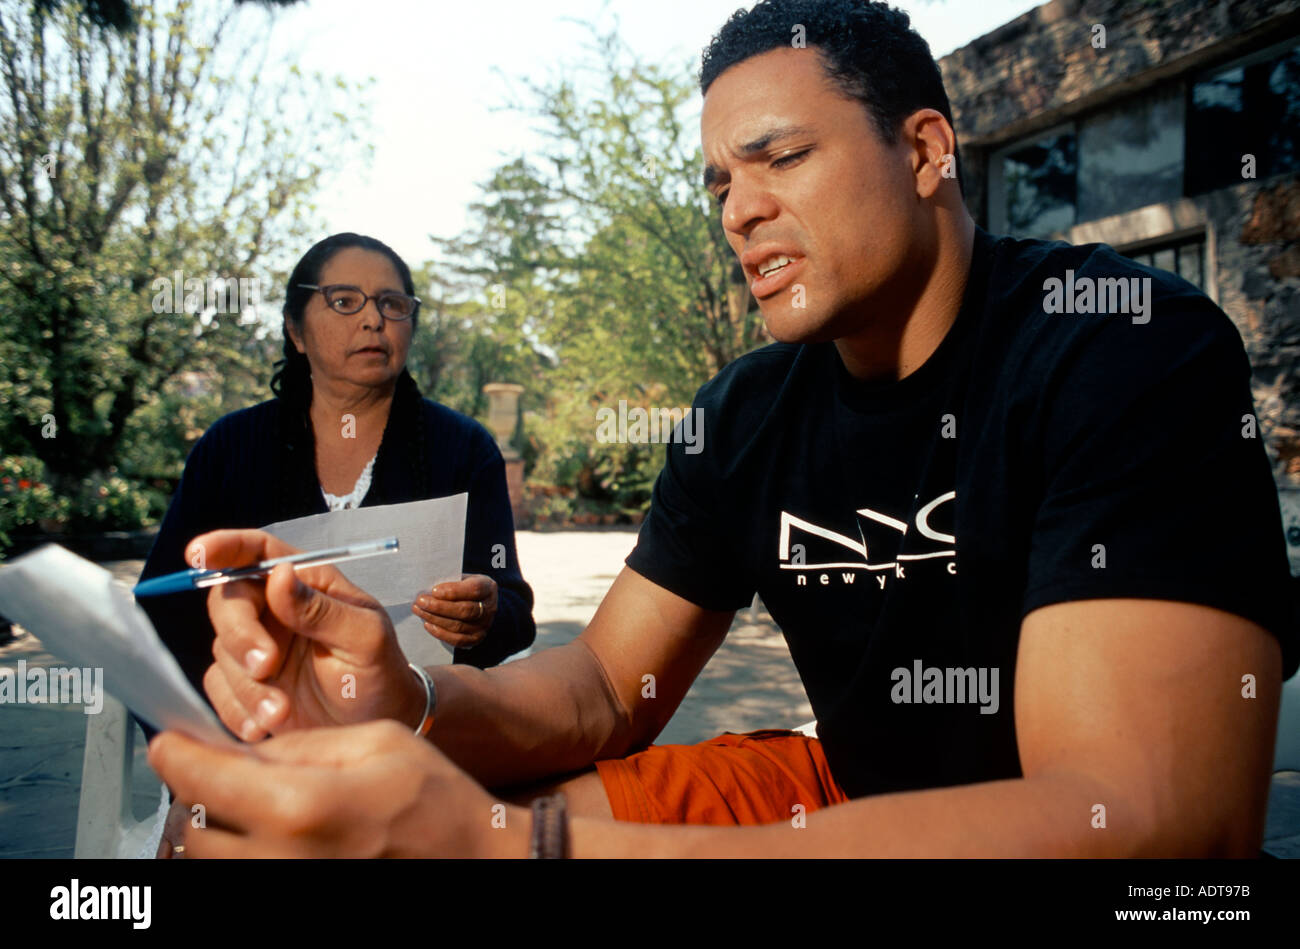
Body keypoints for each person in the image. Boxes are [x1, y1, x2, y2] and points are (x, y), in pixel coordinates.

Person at [149, 0, 1297, 857]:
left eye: (782, 158)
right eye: (717, 185)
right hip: (836, 793)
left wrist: (512, 845)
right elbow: (605, 687)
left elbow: (1148, 822)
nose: (741, 209)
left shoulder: (1120, 344)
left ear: (925, 150)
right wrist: (411, 698)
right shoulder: (745, 413)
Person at [138, 233, 536, 855]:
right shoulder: (231, 450)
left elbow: (514, 612)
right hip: (255, 742)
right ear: (297, 330)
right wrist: (202, 772)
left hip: (413, 747)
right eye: (345, 301)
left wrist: (483, 615)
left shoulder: (462, 450)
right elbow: (166, 616)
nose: (375, 319)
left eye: (393, 304)